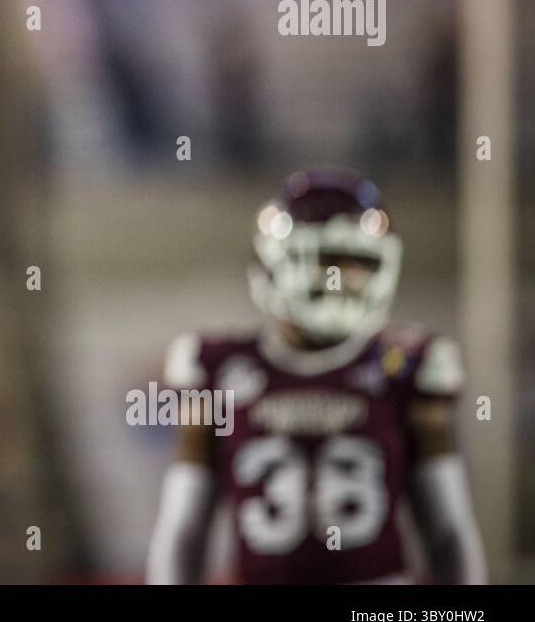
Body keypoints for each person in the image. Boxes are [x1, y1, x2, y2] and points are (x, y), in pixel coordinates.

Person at [147, 168, 486, 584]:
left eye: (360, 264)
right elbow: (184, 529)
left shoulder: (407, 368)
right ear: (274, 263)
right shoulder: (215, 368)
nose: (343, 278)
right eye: (328, 261)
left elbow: (448, 532)